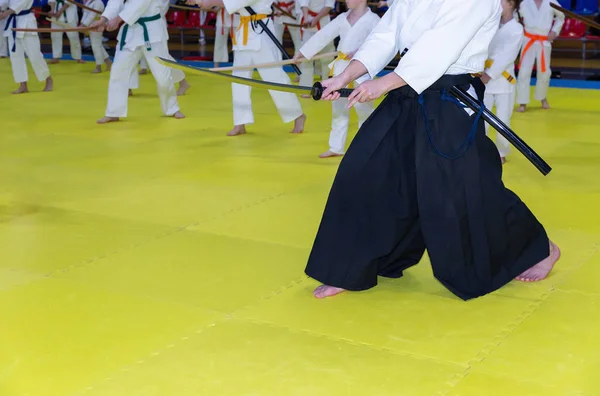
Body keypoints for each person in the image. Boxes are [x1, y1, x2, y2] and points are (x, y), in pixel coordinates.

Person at [304, 0, 560, 301]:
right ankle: (347, 266)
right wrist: (344, 77)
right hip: (407, 88)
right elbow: (386, 34)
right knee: (364, 168)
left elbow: (441, 47)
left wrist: (382, 84)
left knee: (463, 189)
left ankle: (539, 247)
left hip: (449, 95)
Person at [187, 0, 306, 136]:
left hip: (261, 33)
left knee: (274, 77)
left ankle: (298, 115)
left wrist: (208, 2)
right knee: (238, 79)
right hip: (244, 31)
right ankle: (240, 123)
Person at [293, 0, 378, 158]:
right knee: (338, 109)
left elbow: (378, 43)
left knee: (364, 111)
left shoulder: (374, 20)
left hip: (362, 70)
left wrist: (360, 50)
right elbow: (323, 35)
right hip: (340, 70)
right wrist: (303, 53)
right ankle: (336, 147)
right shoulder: (341, 18)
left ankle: (369, 149)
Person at [90, 0, 185, 124]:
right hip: (131, 32)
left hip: (152, 31)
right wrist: (104, 19)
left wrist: (117, 20)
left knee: (163, 75)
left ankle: (172, 108)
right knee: (118, 72)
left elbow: (141, 3)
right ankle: (114, 112)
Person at [481, 0, 524, 164]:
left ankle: (501, 151)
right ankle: (481, 149)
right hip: (483, 76)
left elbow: (508, 56)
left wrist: (489, 74)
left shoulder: (517, 29)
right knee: (481, 118)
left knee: (503, 119)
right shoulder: (490, 23)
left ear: (511, 4)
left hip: (502, 79)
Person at [515, 0, 564, 112]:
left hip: (544, 41)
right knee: (524, 71)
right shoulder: (525, 3)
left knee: (544, 71)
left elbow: (561, 17)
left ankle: (542, 97)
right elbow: (515, 17)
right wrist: (518, 31)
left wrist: (554, 32)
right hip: (528, 40)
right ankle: (522, 102)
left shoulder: (551, 2)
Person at [1, 0, 53, 93]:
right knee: (15, 56)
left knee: (34, 54)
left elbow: (21, 3)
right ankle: (23, 85)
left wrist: (5, 14)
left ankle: (48, 79)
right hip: (13, 22)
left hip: (26, 22)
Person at [297, 0, 335, 97]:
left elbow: (328, 6)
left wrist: (316, 19)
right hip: (308, 23)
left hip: (323, 24)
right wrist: (306, 18)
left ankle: (327, 88)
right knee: (306, 57)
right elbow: (303, 3)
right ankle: (306, 89)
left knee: (326, 59)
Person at [79, 0, 112, 73]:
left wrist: (84, 25)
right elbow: (85, 14)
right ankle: (108, 61)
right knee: (98, 45)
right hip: (90, 25)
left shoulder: (98, 2)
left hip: (97, 25)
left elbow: (92, 15)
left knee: (95, 45)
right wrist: (82, 24)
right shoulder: (89, 2)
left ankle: (98, 66)